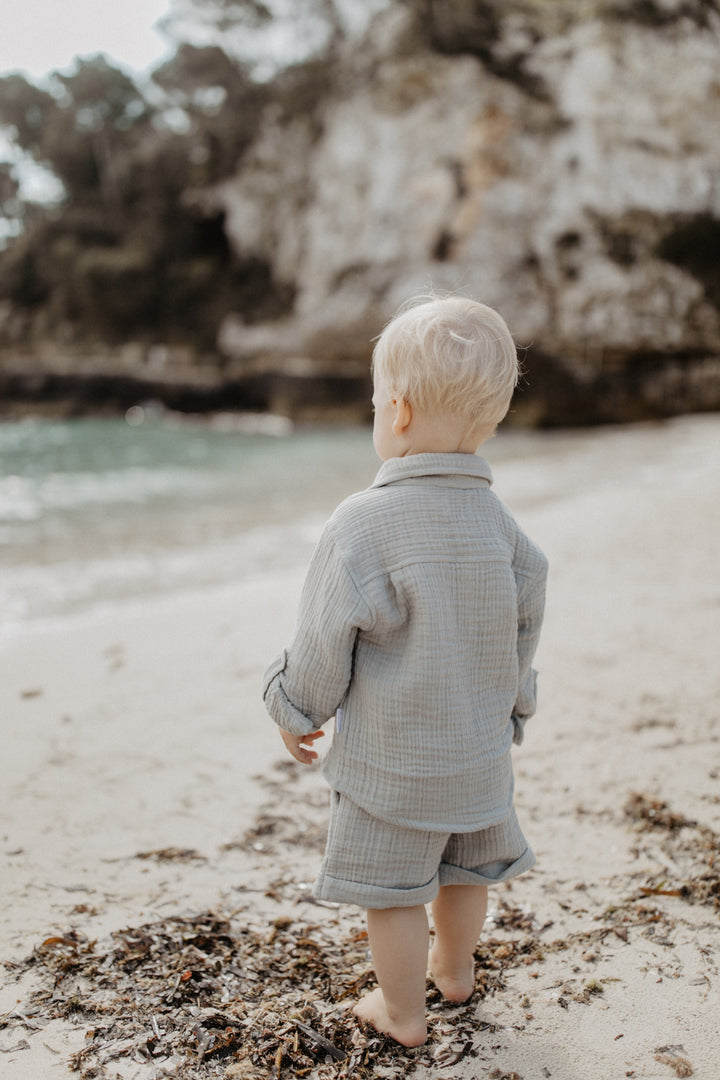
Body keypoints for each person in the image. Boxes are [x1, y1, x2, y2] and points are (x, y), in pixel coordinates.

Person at [262, 294, 547, 1047]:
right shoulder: (499, 525)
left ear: (400, 411)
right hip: (480, 760)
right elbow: (524, 622)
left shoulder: (361, 522)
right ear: (487, 422)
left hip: (392, 771)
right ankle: (455, 972)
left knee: (391, 893)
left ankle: (403, 1012)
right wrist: (515, 704)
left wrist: (296, 706)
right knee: (463, 874)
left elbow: (325, 637)